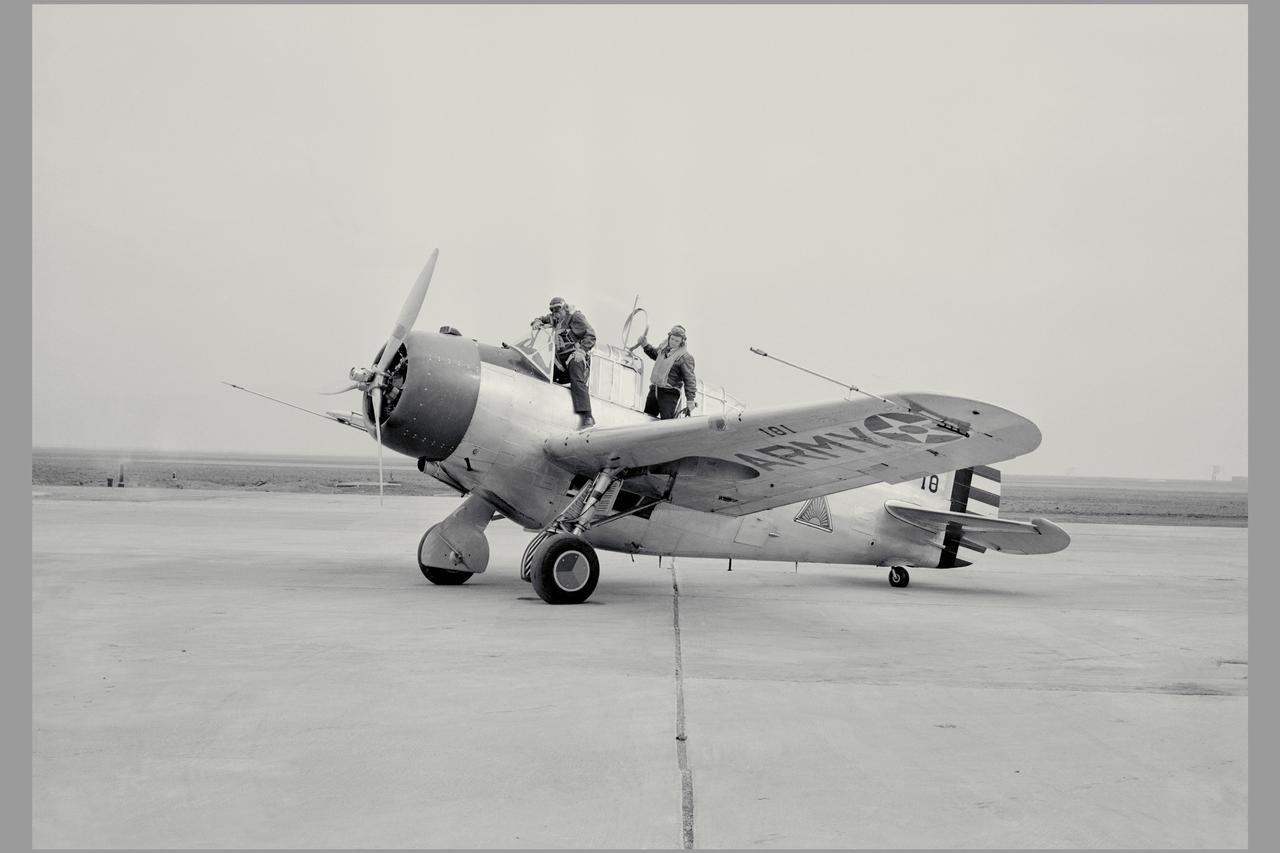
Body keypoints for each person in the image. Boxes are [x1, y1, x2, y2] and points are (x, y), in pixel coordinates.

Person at [532, 297, 597, 428]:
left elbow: (591, 334)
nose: (555, 311)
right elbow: (542, 319)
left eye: (558, 308)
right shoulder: (555, 319)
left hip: (575, 356)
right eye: (552, 309)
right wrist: (537, 322)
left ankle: (588, 416)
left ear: (564, 307)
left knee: (577, 378)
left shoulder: (575, 317)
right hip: (560, 362)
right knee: (541, 372)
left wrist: (582, 351)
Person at [638, 325, 697, 419]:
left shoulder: (685, 357)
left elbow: (689, 379)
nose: (673, 342)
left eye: (677, 341)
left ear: (682, 341)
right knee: (646, 418)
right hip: (655, 390)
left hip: (669, 394)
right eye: (672, 339)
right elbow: (655, 355)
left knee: (666, 422)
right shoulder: (663, 348)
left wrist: (690, 400)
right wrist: (645, 345)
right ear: (669, 337)